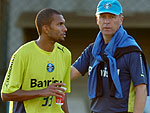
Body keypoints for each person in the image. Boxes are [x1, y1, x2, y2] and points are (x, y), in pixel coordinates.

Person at [71, 0, 150, 113]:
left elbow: (141, 89)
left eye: (112, 17)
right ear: (97, 20)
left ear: (121, 19)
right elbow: (71, 73)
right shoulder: (92, 50)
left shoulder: (131, 51)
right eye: (103, 17)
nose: (107, 22)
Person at [1, 8, 71, 113]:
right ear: (46, 29)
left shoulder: (65, 54)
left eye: (64, 24)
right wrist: (42, 92)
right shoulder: (22, 54)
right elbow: (6, 94)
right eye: (59, 24)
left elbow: (62, 93)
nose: (65, 28)